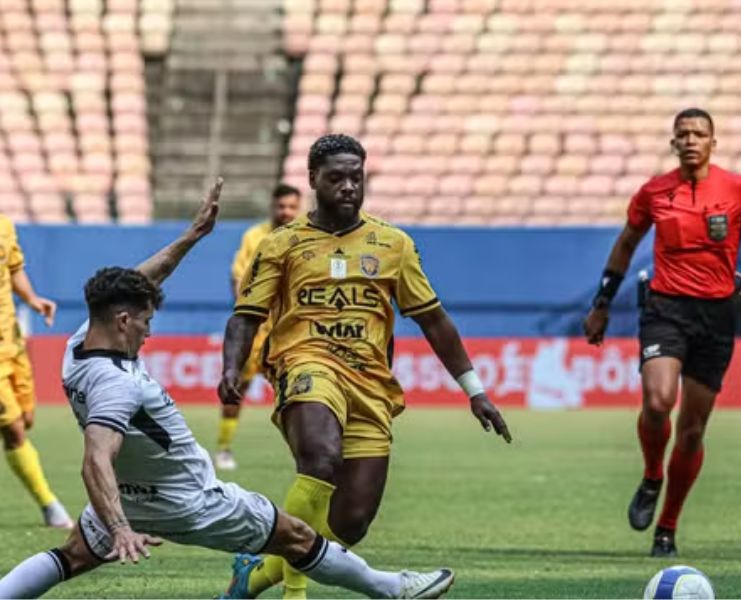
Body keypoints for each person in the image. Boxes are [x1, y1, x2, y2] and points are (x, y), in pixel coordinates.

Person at [0, 180, 454, 600]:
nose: (148, 332)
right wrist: (119, 529)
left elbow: (139, 283)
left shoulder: (79, 344)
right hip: (190, 501)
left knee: (71, 556)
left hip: (132, 495)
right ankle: (393, 588)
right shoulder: (116, 385)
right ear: (123, 321)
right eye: (145, 322)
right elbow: (96, 458)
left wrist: (193, 235)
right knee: (296, 536)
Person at [218, 134, 511, 599]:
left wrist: (474, 390)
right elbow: (246, 315)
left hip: (370, 383)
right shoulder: (282, 244)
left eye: (356, 177)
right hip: (305, 363)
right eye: (337, 177)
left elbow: (434, 320)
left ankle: (253, 577)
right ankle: (295, 593)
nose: (349, 187)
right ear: (313, 179)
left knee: (350, 524)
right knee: (320, 458)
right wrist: (232, 367)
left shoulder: (392, 244)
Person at [583, 108, 741, 557]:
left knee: (693, 430)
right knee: (658, 401)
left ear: (713, 142)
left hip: (715, 317)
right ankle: (652, 473)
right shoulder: (654, 192)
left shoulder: (740, 189)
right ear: (673, 142)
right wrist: (601, 303)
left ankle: (667, 528)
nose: (691, 139)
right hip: (665, 308)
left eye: (700, 133)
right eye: (683, 134)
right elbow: (625, 244)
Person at [215, 183, 302, 471]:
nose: (286, 212)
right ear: (272, 207)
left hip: (289, 330)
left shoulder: (306, 237)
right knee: (236, 386)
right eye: (281, 206)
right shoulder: (254, 237)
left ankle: (303, 450)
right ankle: (224, 448)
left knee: (298, 392)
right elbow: (237, 279)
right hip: (256, 328)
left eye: (291, 207)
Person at [0, 214, 72, 529]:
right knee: (13, 428)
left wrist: (32, 299)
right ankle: (49, 505)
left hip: (12, 342)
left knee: (26, 420)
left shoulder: (4, 225)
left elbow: (13, 269)